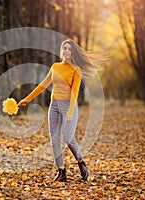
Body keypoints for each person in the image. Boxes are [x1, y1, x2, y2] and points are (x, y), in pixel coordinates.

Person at [18, 39, 104, 182]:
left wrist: (70, 112)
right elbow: (42, 85)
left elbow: (75, 92)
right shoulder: (55, 67)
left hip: (68, 105)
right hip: (54, 105)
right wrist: (27, 99)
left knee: (69, 139)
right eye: (64, 48)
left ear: (73, 53)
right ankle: (61, 172)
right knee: (54, 141)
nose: (66, 51)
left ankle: (81, 162)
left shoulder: (75, 69)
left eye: (69, 49)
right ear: (61, 50)